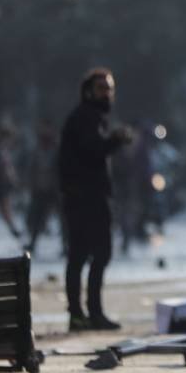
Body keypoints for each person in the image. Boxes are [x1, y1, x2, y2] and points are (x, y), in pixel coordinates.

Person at [60, 68, 133, 332]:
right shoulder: (85, 118)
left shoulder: (92, 117)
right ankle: (89, 314)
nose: (107, 93)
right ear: (89, 91)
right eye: (102, 88)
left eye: (110, 88)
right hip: (86, 198)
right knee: (96, 254)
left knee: (81, 256)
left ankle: (82, 315)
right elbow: (92, 151)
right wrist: (114, 141)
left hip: (85, 196)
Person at [25, 121, 60, 254]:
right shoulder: (37, 151)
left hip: (53, 189)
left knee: (62, 219)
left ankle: (66, 245)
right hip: (40, 189)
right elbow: (32, 169)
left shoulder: (56, 150)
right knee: (37, 218)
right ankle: (33, 243)